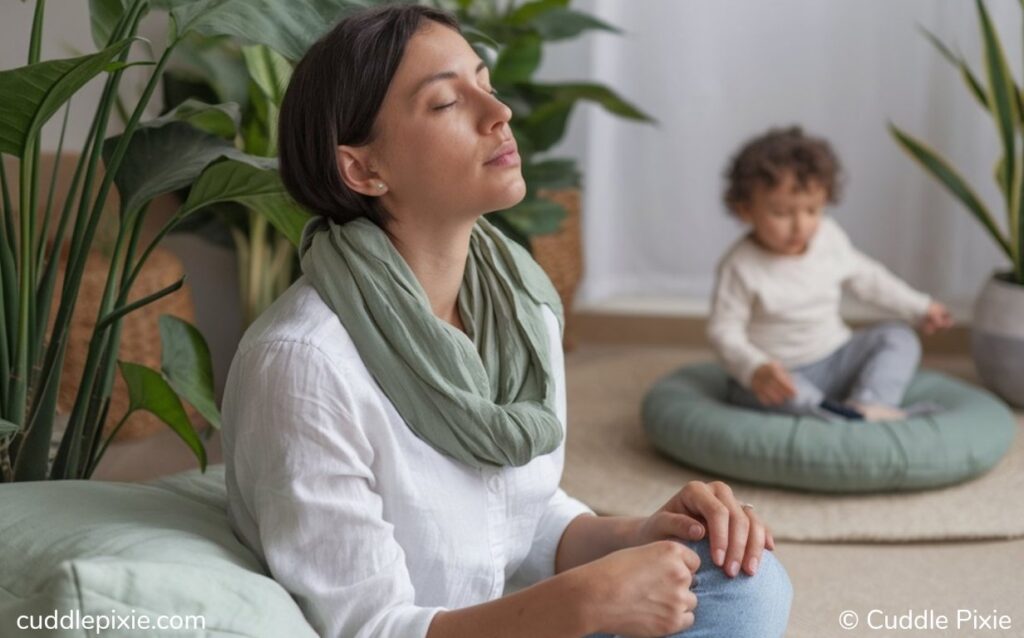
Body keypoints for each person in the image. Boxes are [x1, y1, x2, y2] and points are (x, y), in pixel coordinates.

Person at [221, 6, 792, 637]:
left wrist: (639, 533)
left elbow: (519, 517)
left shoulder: (518, 307)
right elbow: (371, 628)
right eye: (445, 103)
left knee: (745, 578)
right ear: (363, 169)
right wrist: (579, 603)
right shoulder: (305, 366)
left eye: (485, 83)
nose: (500, 114)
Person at [709, 126, 956, 422]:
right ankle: (831, 412)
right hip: (782, 373)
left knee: (899, 338)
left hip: (835, 356)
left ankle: (866, 405)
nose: (800, 225)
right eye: (782, 213)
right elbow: (724, 331)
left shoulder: (828, 238)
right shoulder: (740, 266)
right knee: (772, 392)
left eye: (812, 210)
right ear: (745, 210)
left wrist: (919, 307)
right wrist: (755, 368)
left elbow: (868, 279)